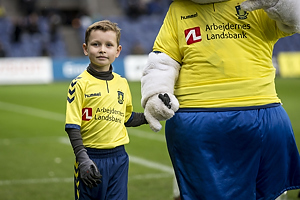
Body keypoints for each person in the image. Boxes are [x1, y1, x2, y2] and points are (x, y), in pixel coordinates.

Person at [141, 0, 300, 199]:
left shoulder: (254, 4)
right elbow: (163, 61)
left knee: (266, 193)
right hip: (198, 118)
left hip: (260, 110)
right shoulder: (178, 9)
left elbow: (294, 20)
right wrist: (156, 93)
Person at [65, 20, 148, 200]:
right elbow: (72, 126)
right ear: (86, 49)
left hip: (119, 158)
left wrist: (150, 115)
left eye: (108, 45)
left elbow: (127, 118)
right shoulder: (79, 84)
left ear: (117, 51)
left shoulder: (122, 83)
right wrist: (83, 159)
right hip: (90, 158)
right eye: (96, 44)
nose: (102, 49)